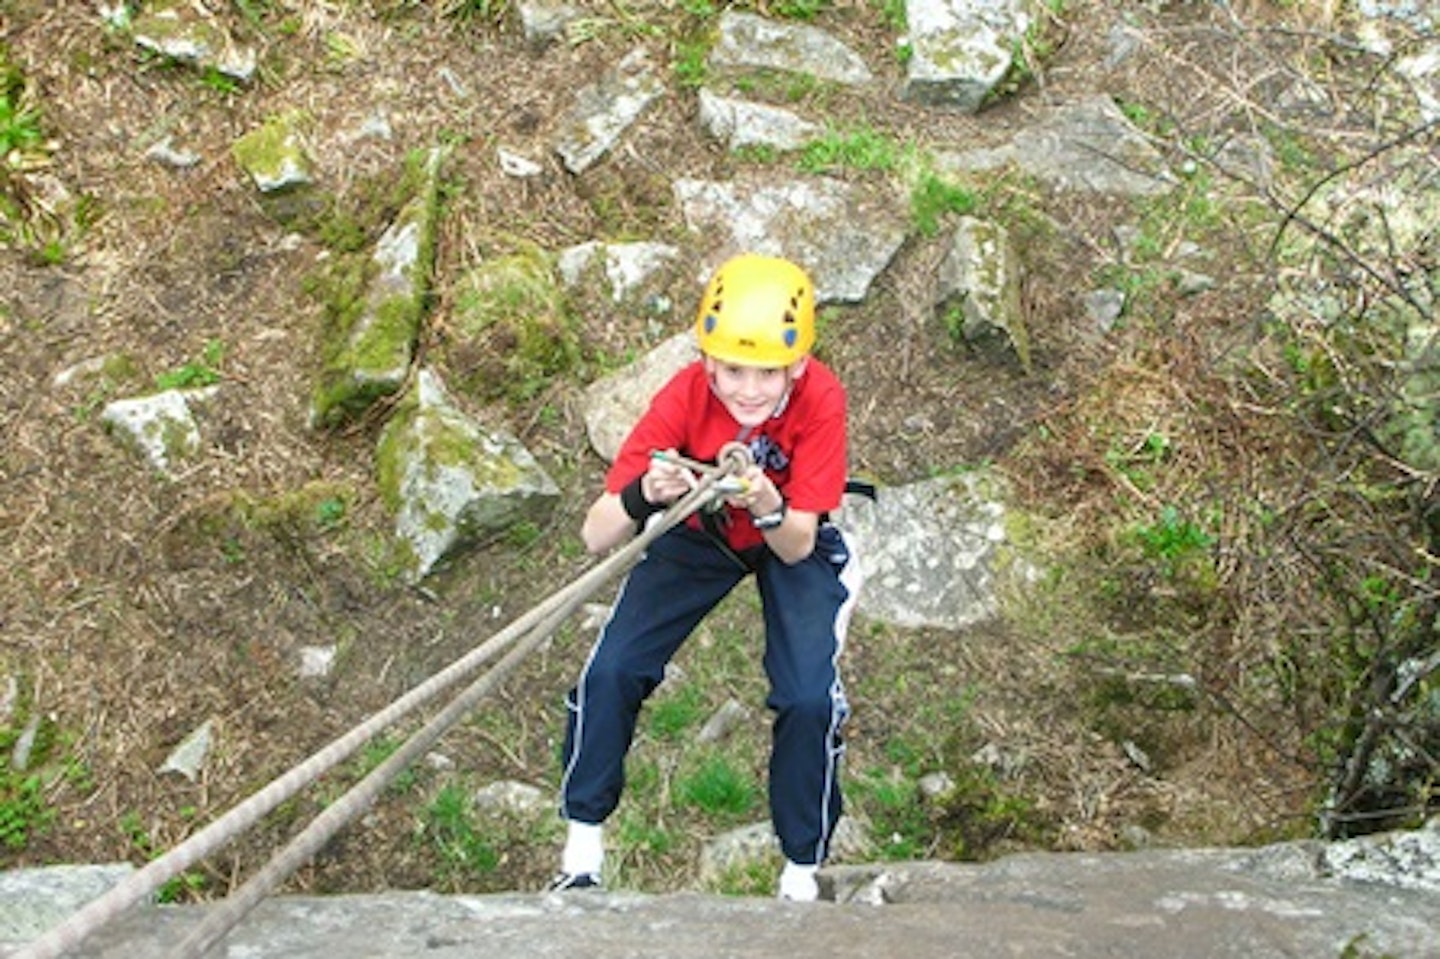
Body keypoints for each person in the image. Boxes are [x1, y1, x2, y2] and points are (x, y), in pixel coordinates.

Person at [551, 252, 862, 902]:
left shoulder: (820, 398)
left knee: (808, 696)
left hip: (785, 537)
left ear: (797, 366)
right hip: (701, 535)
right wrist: (644, 493)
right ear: (705, 360)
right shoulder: (686, 396)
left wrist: (767, 501)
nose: (748, 389)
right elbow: (595, 532)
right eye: (731, 370)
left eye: (767, 373)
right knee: (612, 669)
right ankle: (582, 846)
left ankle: (801, 868)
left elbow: (799, 541)